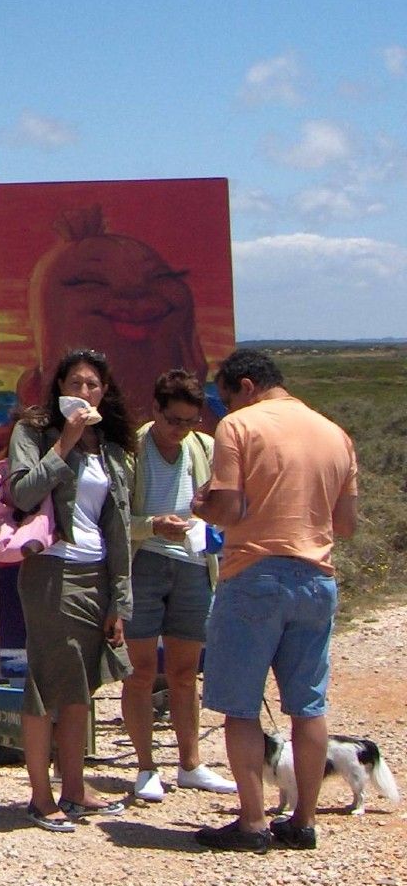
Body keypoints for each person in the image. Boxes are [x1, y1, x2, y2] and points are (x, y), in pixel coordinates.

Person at [192, 348, 359, 852]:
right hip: (317, 578)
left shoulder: (240, 428)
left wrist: (203, 504)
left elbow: (229, 507)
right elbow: (346, 525)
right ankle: (303, 820)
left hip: (254, 575)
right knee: (308, 707)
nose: (222, 411)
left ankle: (252, 821)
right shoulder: (335, 434)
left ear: (244, 386)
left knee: (240, 705)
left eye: (224, 399)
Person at [6, 348, 136, 832]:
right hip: (52, 573)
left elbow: (117, 526)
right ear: (60, 387)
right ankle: (41, 797)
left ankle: (75, 787)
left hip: (96, 573)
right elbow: (21, 493)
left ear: (105, 392)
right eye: (76, 384)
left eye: (94, 386)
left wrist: (119, 599)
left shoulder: (109, 445)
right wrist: (65, 444)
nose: (84, 393)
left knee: (83, 681)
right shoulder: (34, 431)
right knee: (46, 680)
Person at [121, 370, 237, 801]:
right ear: (155, 411)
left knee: (186, 673)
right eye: (174, 421)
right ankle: (146, 767)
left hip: (193, 566)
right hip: (144, 564)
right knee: (141, 672)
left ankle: (191, 764)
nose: (182, 430)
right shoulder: (131, 450)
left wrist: (210, 514)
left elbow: (224, 508)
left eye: (190, 422)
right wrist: (152, 526)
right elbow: (114, 521)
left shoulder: (204, 449)